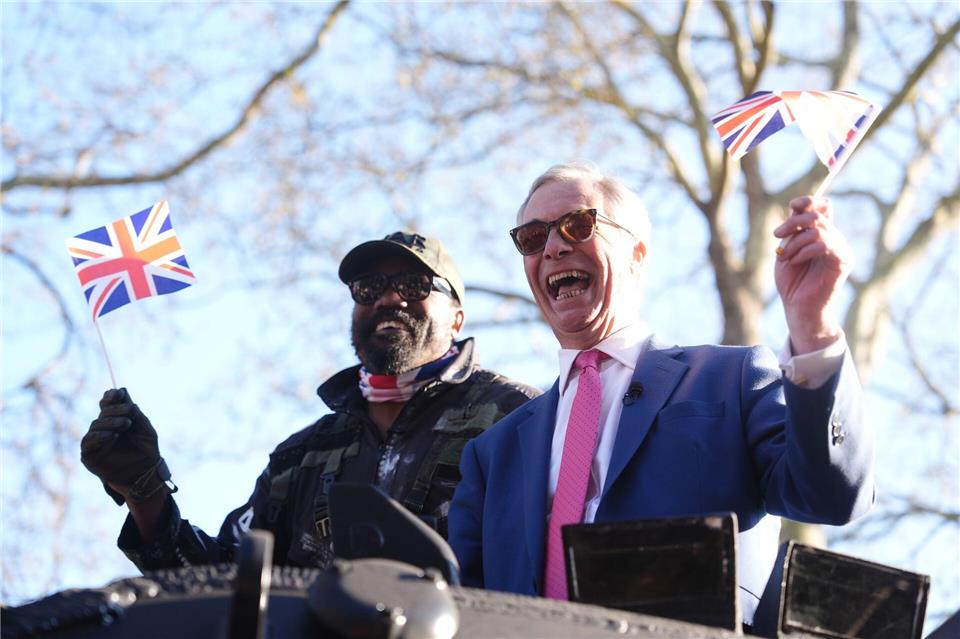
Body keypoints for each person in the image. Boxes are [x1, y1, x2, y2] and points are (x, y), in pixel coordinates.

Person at [448, 162, 874, 626]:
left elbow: (831, 496)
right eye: (532, 237)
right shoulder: (493, 453)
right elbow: (463, 609)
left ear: (636, 252)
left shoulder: (729, 377)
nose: (552, 246)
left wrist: (813, 323)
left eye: (577, 224)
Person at [81, 231, 539, 571]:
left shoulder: (518, 416)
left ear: (457, 317)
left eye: (416, 285)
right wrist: (146, 494)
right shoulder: (303, 456)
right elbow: (220, 584)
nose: (389, 298)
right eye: (368, 288)